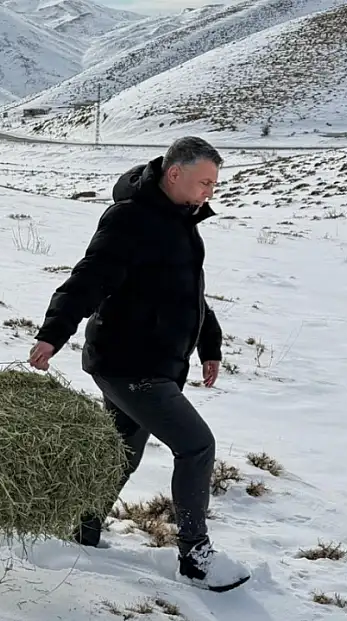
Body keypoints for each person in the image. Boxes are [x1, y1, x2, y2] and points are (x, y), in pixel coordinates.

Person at [28, 136, 250, 593]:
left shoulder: (182, 221)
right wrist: (53, 334)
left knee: (121, 452)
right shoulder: (130, 219)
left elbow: (191, 294)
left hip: (157, 362)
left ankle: (81, 532)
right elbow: (89, 278)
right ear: (174, 174)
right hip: (128, 363)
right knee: (196, 446)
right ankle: (195, 555)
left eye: (214, 182)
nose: (211, 190)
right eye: (204, 181)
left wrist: (210, 345)